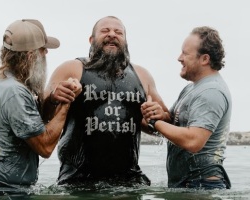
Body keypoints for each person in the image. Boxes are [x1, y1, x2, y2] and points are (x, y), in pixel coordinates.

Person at [43, 16, 170, 187]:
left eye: (119, 32)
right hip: (77, 181)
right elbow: (42, 115)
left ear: (125, 41)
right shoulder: (72, 68)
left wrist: (158, 116)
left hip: (129, 182)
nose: (112, 34)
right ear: (91, 39)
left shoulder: (142, 75)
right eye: (105, 31)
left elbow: (166, 124)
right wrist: (52, 98)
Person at [0, 19, 81, 194]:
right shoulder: (15, 92)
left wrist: (53, 99)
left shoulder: (1, 82)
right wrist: (67, 102)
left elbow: (31, 121)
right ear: (30, 56)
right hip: (10, 191)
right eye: (43, 50)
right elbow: (45, 147)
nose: (46, 53)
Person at [141, 26, 232, 190]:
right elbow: (172, 124)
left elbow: (194, 141)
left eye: (185, 53)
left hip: (203, 185)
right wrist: (159, 115)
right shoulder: (191, 89)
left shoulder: (211, 92)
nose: (179, 58)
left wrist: (155, 122)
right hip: (189, 185)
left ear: (204, 59)